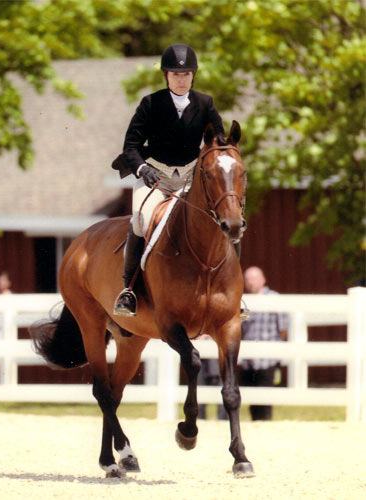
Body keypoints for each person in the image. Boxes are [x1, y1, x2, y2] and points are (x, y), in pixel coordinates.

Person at [112, 43, 227, 317]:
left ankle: (229, 288)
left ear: (193, 76)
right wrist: (141, 169)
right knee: (140, 219)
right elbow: (131, 146)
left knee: (225, 218)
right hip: (156, 176)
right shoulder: (150, 104)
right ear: (166, 75)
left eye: (186, 74)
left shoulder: (205, 104)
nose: (181, 79)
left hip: (190, 177)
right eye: (176, 74)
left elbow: (219, 142)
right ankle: (128, 290)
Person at [239, 266, 289, 420]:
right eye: (248, 279)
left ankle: (266, 423)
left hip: (268, 357)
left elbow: (283, 328)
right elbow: (241, 327)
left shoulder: (274, 298)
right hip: (249, 359)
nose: (251, 282)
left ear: (263, 280)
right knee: (251, 396)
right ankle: (255, 425)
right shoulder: (245, 302)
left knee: (265, 394)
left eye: (254, 278)